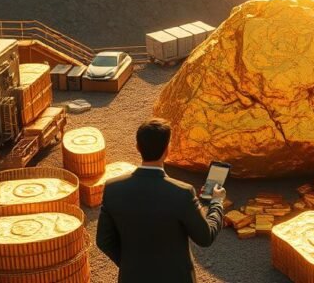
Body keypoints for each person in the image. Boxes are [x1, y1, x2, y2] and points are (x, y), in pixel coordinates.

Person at [96, 118, 226, 283]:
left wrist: (130, 264)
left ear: (137, 147)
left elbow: (103, 240)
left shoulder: (113, 188)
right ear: (167, 150)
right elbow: (205, 237)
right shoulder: (182, 192)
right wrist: (216, 202)